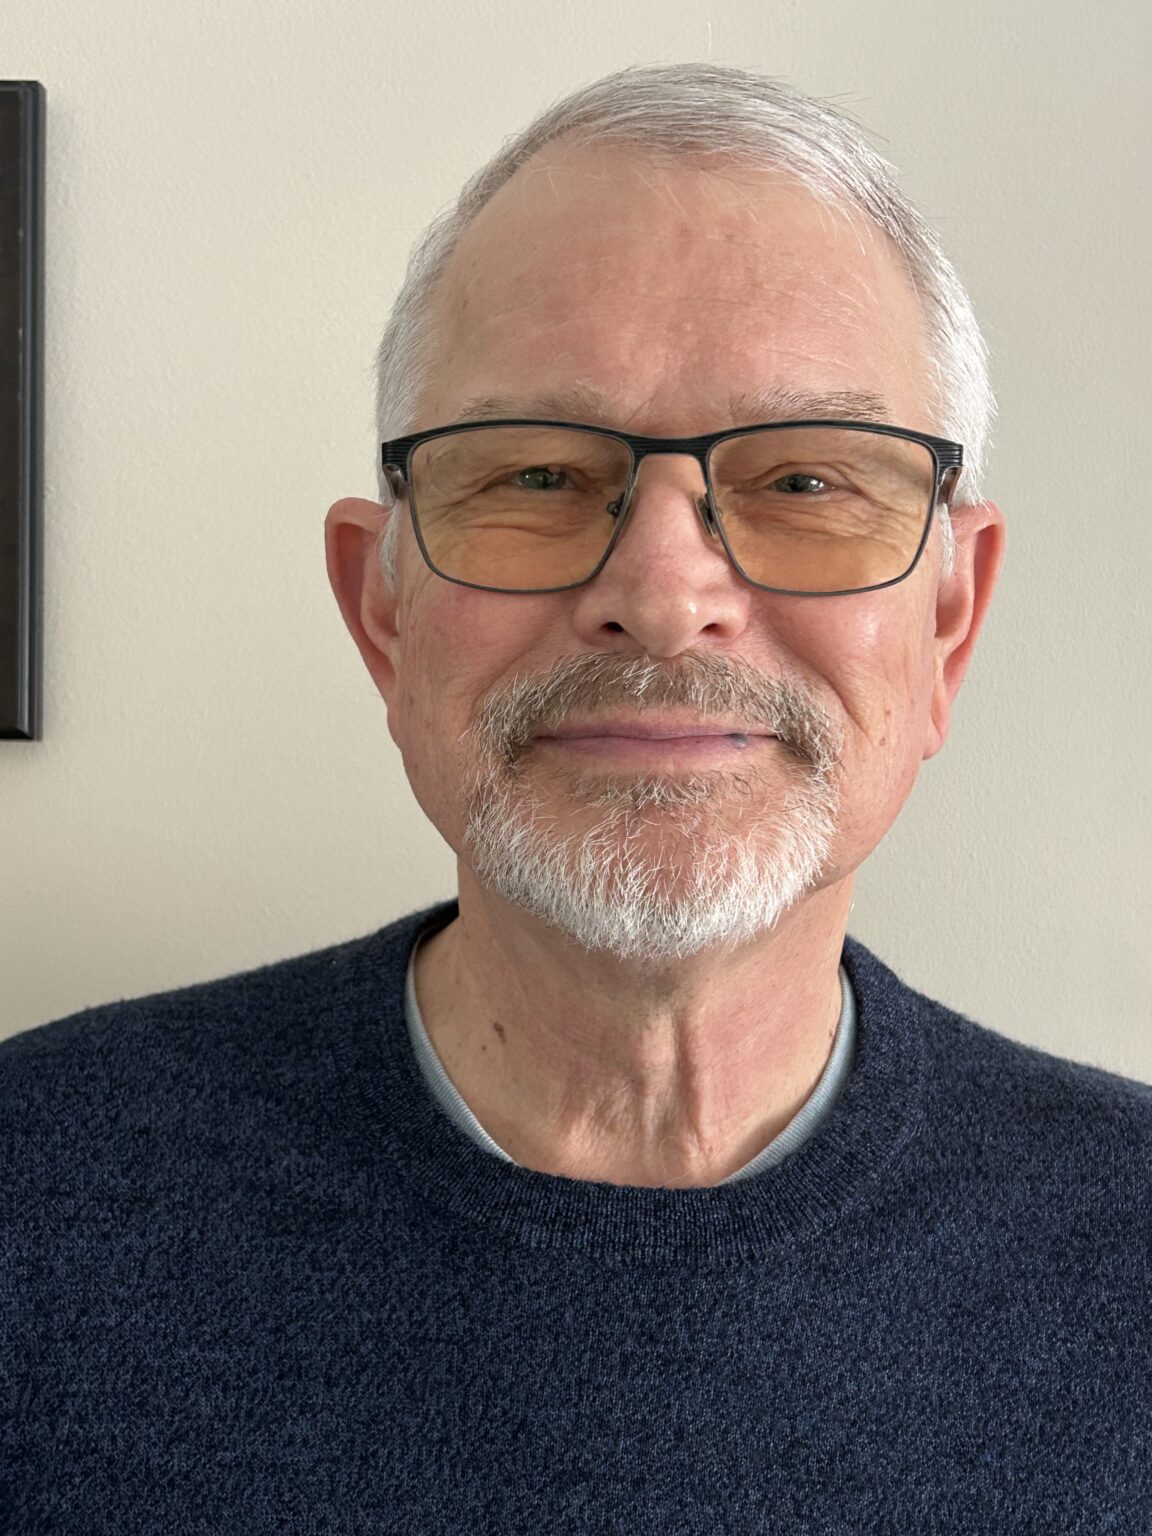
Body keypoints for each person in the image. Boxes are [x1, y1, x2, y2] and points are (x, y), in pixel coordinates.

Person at [3, 63, 1149, 1532]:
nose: (664, 599)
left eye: (807, 484)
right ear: (383, 615)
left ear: (947, 625)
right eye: (539, 473)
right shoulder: (30, 1202)